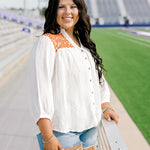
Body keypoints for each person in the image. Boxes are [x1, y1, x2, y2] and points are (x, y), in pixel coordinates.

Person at [29, 0, 119, 150]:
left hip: (90, 126)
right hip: (62, 130)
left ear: (80, 11)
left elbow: (97, 80)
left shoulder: (83, 44)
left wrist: (106, 106)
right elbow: (40, 90)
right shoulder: (47, 42)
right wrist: (47, 136)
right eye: (61, 7)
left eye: (73, 7)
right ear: (53, 11)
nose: (68, 12)